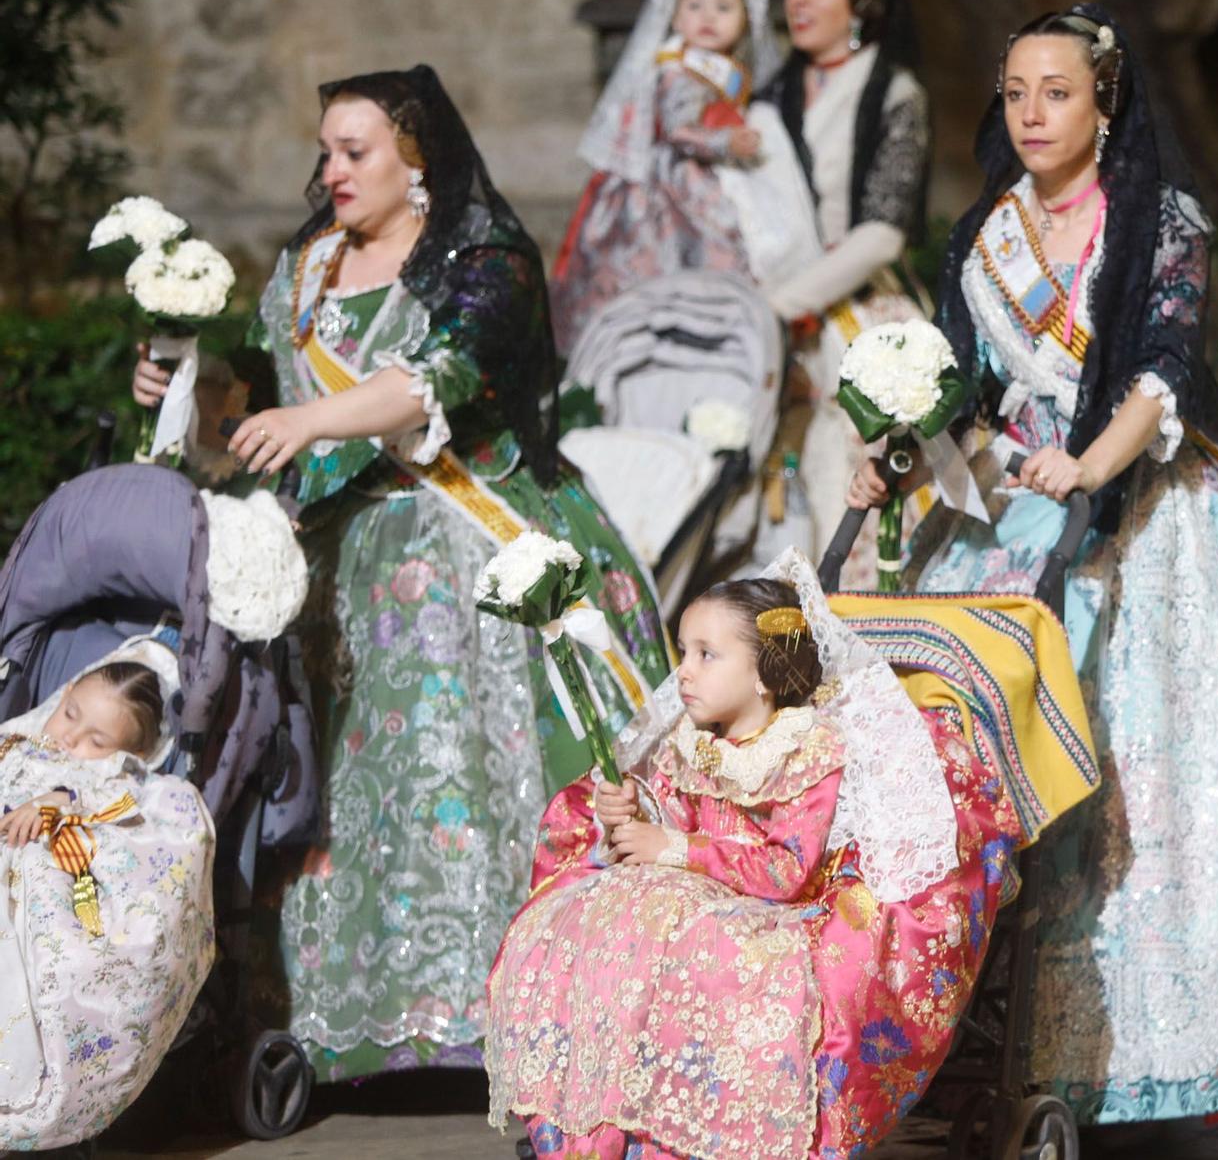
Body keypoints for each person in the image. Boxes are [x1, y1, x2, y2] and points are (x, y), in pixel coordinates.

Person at [850, 6, 1218, 1124]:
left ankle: (1176, 1059)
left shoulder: (1158, 218)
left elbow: (1158, 367)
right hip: (1003, 517)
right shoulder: (981, 235)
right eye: (1013, 93)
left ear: (1103, 102)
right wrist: (890, 457)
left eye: (1055, 91)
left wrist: (1086, 467)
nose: (1032, 113)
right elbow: (956, 383)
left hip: (1144, 517)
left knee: (1158, 763)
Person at [130, 66, 672, 1081]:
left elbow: (445, 377)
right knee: (328, 784)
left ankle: (527, 1013)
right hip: (334, 557)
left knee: (462, 774)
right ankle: (333, 1023)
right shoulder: (304, 269)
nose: (331, 170)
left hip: (471, 541)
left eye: (355, 150)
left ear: (415, 159)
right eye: (326, 151)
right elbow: (250, 412)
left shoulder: (483, 257)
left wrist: (308, 420)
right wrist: (181, 383)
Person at [485, 552, 1013, 1158]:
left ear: (765, 672)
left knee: (710, 958)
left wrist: (677, 849)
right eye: (683, 652)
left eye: (707, 656)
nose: (684, 673)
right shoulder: (695, 742)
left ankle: (682, 1135)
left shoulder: (805, 752)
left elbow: (787, 868)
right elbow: (678, 819)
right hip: (698, 893)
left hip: (775, 905)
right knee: (592, 924)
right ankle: (596, 1118)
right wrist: (634, 818)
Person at [761, 0, 935, 581]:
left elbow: (883, 232)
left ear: (861, 4)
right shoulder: (771, 94)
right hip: (768, 313)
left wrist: (781, 305)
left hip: (859, 307)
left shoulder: (893, 91)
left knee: (856, 467)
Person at [0, 639, 215, 1150]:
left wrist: (60, 798)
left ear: (130, 753)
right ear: (65, 693)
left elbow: (112, 801)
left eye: (96, 740)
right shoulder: (18, 740)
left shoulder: (102, 777)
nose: (70, 738)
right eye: (69, 714)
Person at [547, 0, 788, 353]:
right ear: (675, 17)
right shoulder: (680, 69)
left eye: (724, 7)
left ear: (745, 21)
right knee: (689, 249)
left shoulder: (720, 69)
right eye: (695, 6)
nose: (708, 17)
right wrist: (726, 141)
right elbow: (678, 131)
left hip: (707, 172)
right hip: (674, 183)